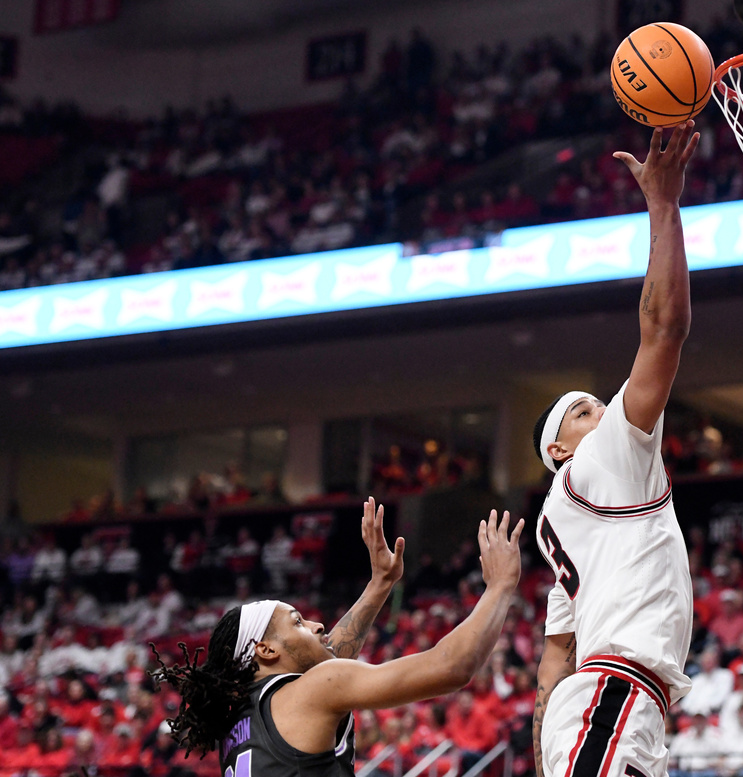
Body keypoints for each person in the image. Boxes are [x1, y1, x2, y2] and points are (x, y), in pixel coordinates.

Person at [531, 123, 700, 777]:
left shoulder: (567, 533)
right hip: (615, 696)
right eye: (581, 410)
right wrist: (664, 206)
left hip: (612, 703)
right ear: (559, 449)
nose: (600, 409)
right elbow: (665, 328)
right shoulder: (603, 457)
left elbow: (555, 652)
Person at [150, 498, 524, 776]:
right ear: (264, 650)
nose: (316, 627)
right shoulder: (311, 690)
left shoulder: (239, 721)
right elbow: (452, 667)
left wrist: (379, 585)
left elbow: (328, 655)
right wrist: (500, 586)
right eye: (297, 623)